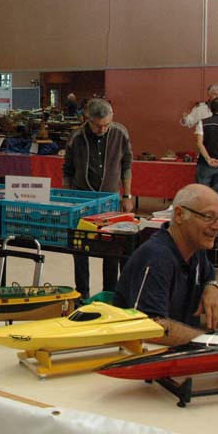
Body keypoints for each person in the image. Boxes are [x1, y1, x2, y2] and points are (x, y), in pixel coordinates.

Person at [113, 184, 218, 346]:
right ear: (179, 215)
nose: (217, 226)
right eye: (208, 217)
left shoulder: (195, 249)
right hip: (147, 353)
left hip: (180, 351)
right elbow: (150, 328)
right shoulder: (157, 258)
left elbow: (210, 274)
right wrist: (208, 340)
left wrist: (213, 286)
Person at [62, 98, 134, 298]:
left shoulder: (121, 133)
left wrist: (127, 196)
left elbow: (127, 165)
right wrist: (67, 198)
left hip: (110, 201)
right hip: (81, 201)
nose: (102, 129)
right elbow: (67, 170)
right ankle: (82, 294)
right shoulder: (76, 137)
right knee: (80, 249)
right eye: (98, 126)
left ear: (112, 117)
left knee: (112, 250)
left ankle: (109, 293)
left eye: (106, 125)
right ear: (88, 119)